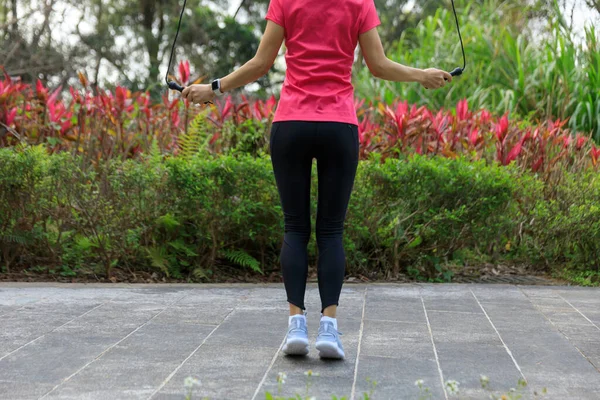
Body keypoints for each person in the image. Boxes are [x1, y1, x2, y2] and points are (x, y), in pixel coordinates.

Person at [182, 0, 452, 360]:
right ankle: (328, 328)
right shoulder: (360, 3)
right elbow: (378, 65)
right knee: (330, 231)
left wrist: (213, 88)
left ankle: (296, 325)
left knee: (295, 228)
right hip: (339, 126)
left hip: (291, 124)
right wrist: (423, 74)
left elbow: (261, 64)